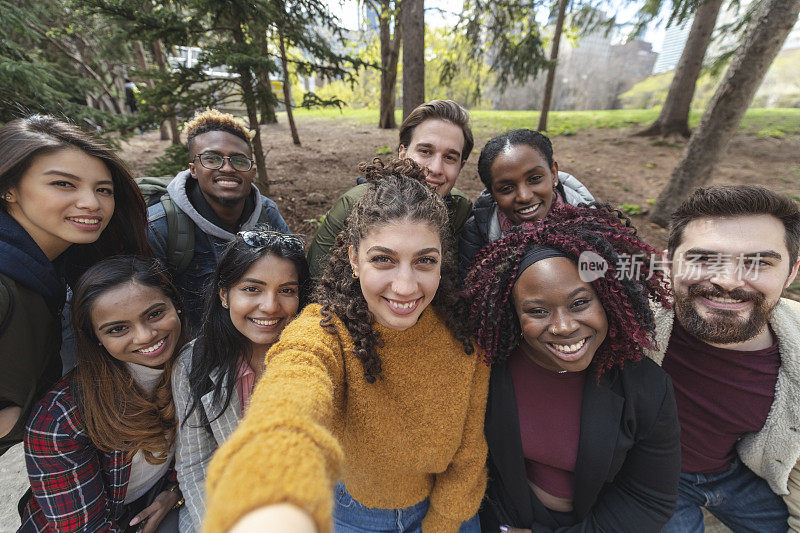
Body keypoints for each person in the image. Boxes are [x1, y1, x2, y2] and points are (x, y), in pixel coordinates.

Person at [202, 158, 490, 533]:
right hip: (351, 516)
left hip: (448, 511)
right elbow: (295, 380)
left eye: (424, 261)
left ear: (442, 264)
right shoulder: (326, 329)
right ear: (354, 259)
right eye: (383, 260)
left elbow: (469, 455)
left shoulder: (463, 339)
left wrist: (443, 524)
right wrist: (271, 474)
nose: (405, 286)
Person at [465, 201, 681, 532]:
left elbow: (649, 499)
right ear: (512, 314)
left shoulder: (646, 388)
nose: (564, 326)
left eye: (579, 303)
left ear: (607, 298)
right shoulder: (488, 371)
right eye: (537, 311)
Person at [649, 185, 800, 532]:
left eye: (759, 262)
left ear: (790, 273)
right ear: (670, 261)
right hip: (650, 478)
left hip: (739, 474)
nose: (727, 281)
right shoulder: (625, 319)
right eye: (703, 259)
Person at [0, 115, 149, 457]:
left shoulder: (63, 263)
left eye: (103, 190)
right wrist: (20, 420)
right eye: (63, 184)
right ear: (8, 188)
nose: (92, 203)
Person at [20, 256, 185, 532]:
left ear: (177, 306)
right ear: (96, 337)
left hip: (154, 503)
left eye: (155, 314)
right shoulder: (60, 421)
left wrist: (174, 493)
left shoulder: (199, 365)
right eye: (118, 329)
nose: (145, 336)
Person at [172, 227, 310, 532]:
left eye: (287, 290)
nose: (270, 306)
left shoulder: (315, 358)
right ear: (224, 295)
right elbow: (196, 466)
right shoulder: (195, 362)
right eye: (252, 289)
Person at [147, 109, 289, 335]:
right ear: (193, 169)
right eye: (212, 159)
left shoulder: (267, 214)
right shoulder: (160, 226)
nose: (227, 168)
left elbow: (292, 281)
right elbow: (147, 311)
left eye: (239, 160)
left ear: (252, 170)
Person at [307, 99, 475, 279]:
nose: (435, 168)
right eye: (425, 151)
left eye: (450, 157)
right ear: (402, 152)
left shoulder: (459, 210)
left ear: (461, 166)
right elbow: (317, 285)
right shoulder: (352, 206)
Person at [459, 129, 594, 279]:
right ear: (492, 194)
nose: (524, 196)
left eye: (534, 178)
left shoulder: (594, 223)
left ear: (554, 173)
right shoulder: (476, 233)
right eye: (507, 188)